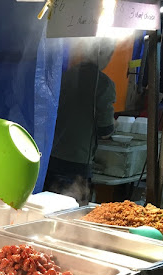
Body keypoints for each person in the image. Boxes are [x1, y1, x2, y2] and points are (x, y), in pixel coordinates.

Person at [44, 39, 116, 204]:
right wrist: (113, 125)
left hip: (52, 157)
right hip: (77, 162)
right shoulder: (103, 84)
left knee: (49, 206)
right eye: (110, 55)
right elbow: (106, 129)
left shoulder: (65, 76)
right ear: (103, 54)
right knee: (73, 211)